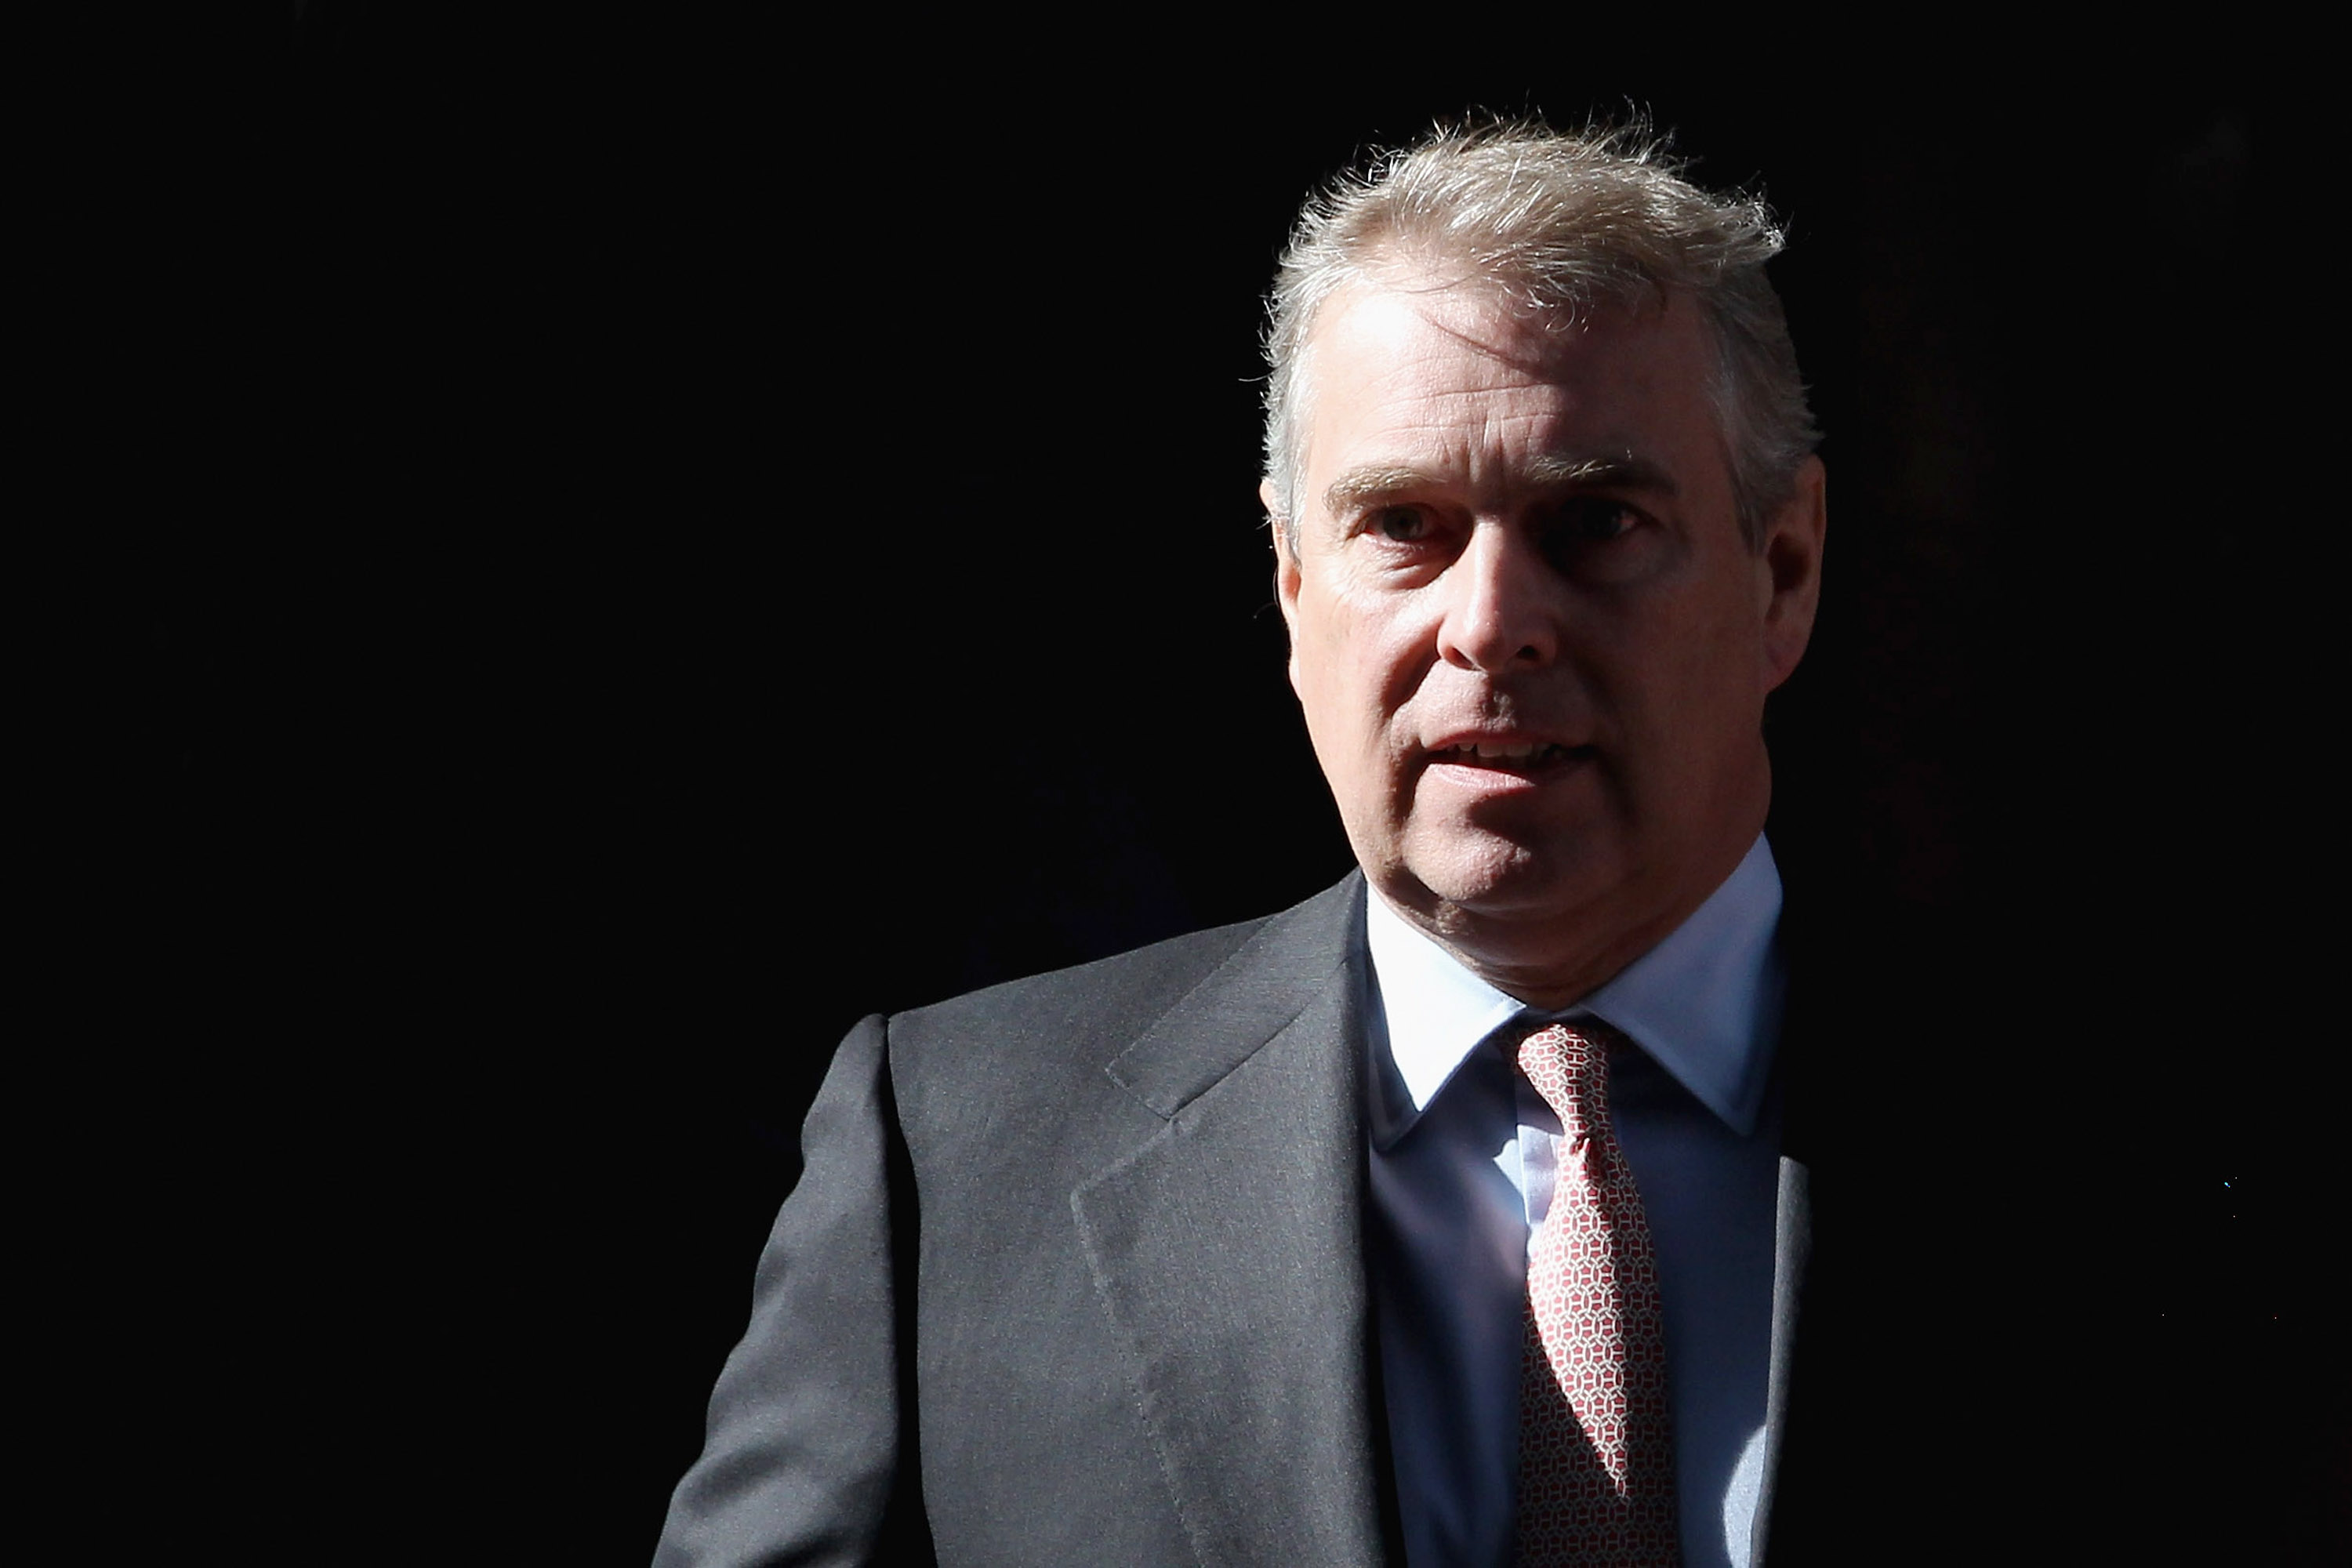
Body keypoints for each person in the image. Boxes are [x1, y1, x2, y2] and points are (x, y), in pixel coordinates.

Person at [658, 122, 1877, 1568]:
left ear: (1782, 572)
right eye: (1405, 526)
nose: (1491, 623)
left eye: (1596, 521)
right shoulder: (952, 1170)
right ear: (1294, 584)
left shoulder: (2148, 1154)